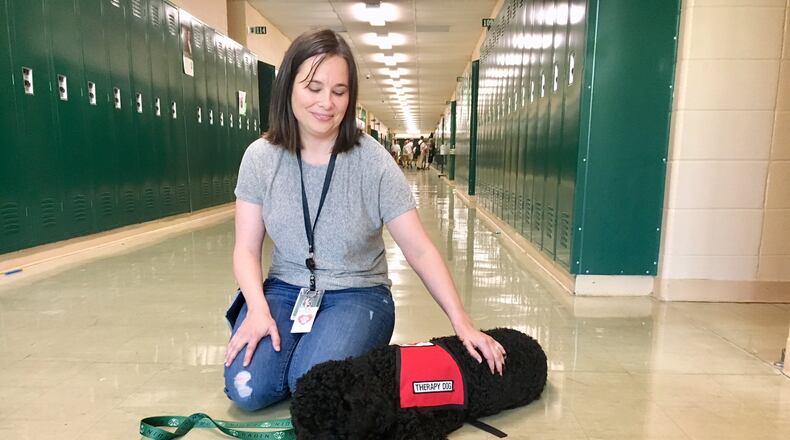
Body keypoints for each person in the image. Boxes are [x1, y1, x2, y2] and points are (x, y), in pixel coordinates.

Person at [223, 29, 505, 412]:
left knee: (311, 385)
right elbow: (246, 247)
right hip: (286, 289)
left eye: (339, 91)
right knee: (247, 389)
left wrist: (462, 321)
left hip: (358, 294)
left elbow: (419, 249)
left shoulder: (373, 162)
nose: (326, 102)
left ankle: (333, 354)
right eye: (314, 87)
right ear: (288, 86)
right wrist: (257, 308)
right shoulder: (260, 158)